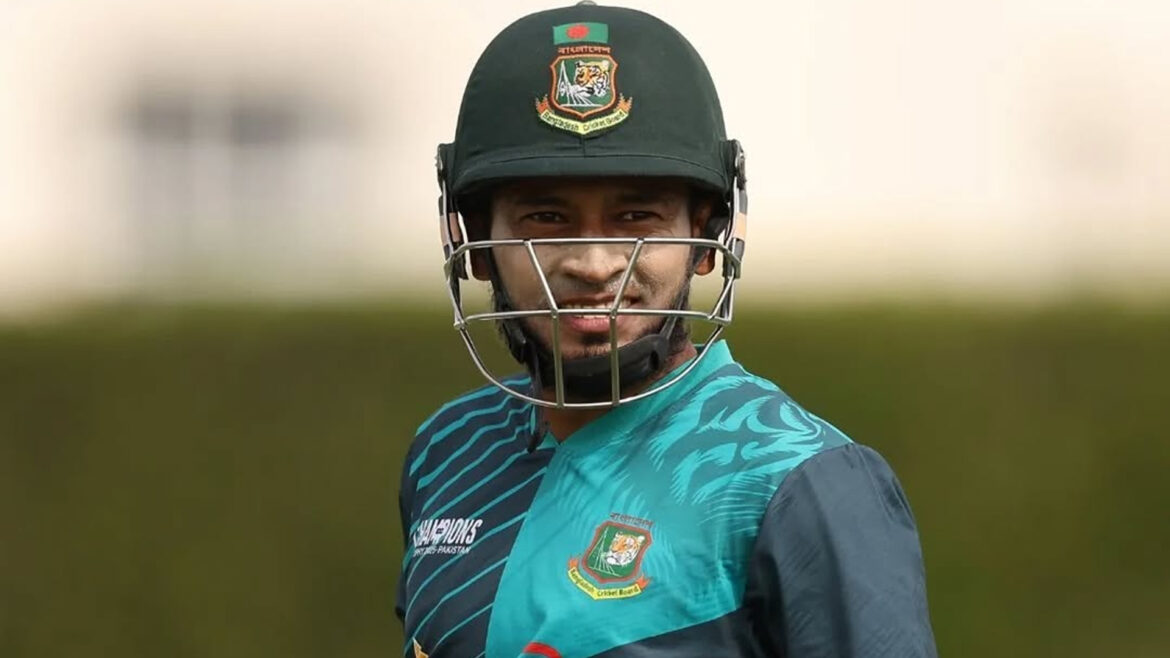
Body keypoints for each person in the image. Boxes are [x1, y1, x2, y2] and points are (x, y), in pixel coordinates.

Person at [396, 4, 937, 657]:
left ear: (706, 238)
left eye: (635, 218)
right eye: (546, 218)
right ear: (476, 244)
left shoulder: (799, 480)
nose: (594, 264)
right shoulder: (450, 448)